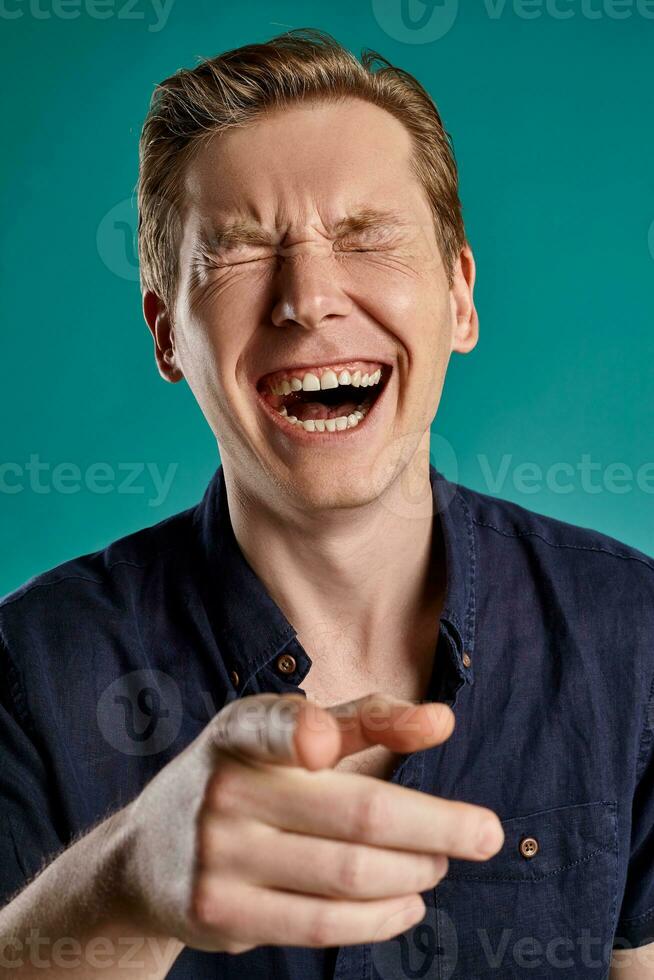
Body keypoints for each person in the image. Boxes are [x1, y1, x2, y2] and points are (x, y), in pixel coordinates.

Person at [0, 27, 652, 980]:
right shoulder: (30, 667)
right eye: (238, 251)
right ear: (166, 335)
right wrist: (126, 883)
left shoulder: (631, 634)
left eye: (367, 236)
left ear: (461, 299)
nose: (307, 298)